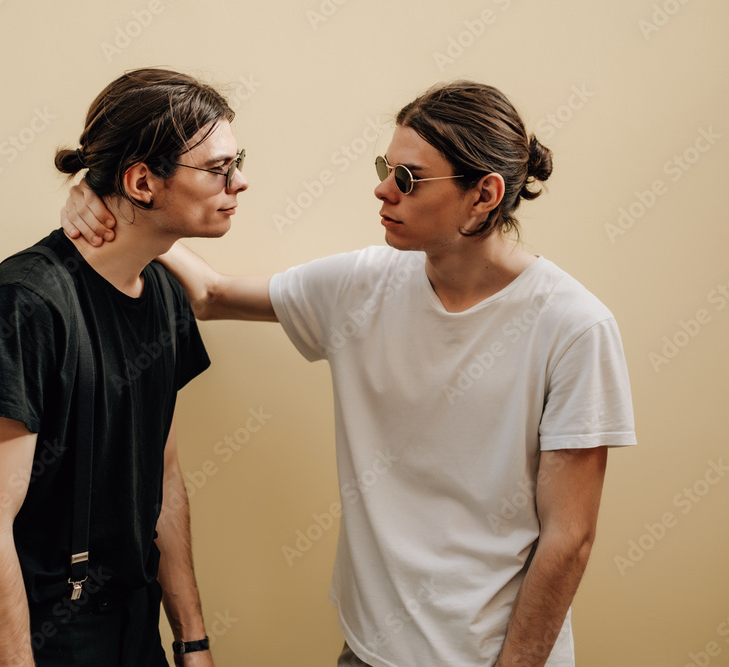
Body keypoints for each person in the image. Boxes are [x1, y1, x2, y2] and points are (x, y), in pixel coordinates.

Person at [61, 79, 636, 666]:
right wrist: (104, 197)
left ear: (484, 195)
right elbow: (209, 294)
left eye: (408, 179)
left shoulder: (574, 327)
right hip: (367, 652)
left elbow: (569, 539)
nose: (383, 189)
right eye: (387, 167)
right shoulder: (365, 285)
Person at [0, 68, 248, 666]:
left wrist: (192, 639)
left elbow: (163, 478)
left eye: (237, 162)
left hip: (134, 631)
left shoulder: (162, 292)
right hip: (36, 637)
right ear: (141, 181)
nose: (239, 182)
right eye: (218, 169)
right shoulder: (23, 307)